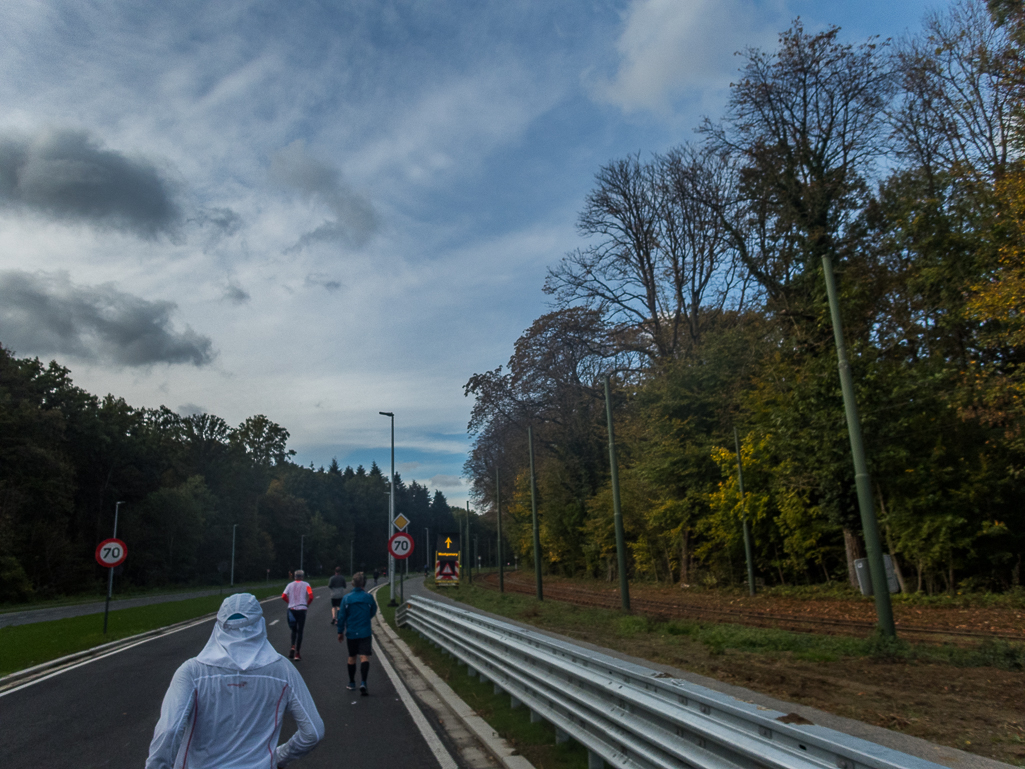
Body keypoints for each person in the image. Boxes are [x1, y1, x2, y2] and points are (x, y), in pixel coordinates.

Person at [146, 593, 324, 769]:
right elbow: (313, 732)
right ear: (260, 625)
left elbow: (169, 731)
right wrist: (279, 757)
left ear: (219, 627)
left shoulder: (192, 672)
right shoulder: (283, 670)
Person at [337, 571, 377, 695]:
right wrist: (366, 618)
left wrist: (340, 631)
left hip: (351, 632)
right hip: (364, 631)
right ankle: (363, 682)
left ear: (353, 584)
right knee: (364, 656)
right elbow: (374, 610)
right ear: (363, 584)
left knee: (352, 657)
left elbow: (342, 616)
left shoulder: (347, 598)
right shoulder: (368, 597)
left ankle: (352, 682)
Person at [282, 569, 314, 661]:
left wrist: (289, 602)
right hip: (302, 609)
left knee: (294, 630)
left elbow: (283, 596)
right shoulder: (306, 585)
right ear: (302, 577)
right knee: (300, 631)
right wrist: (307, 604)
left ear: (295, 577)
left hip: (292, 609)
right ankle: (297, 653)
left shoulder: (290, 585)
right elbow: (311, 596)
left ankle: (292, 646)